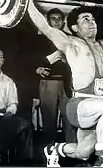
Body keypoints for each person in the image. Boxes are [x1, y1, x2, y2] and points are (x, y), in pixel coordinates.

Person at [28, 0, 103, 167]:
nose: (92, 22)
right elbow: (45, 28)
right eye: (86, 19)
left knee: (83, 153)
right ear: (75, 27)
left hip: (97, 108)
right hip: (79, 105)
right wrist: (28, 3)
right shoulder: (71, 43)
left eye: (92, 19)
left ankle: (54, 149)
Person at [35, 8, 74, 143]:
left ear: (63, 21)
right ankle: (50, 151)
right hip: (49, 82)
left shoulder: (69, 38)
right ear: (48, 21)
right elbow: (35, 60)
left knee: (69, 118)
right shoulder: (40, 39)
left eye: (59, 19)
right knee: (49, 119)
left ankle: (71, 151)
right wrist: (52, 58)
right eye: (53, 18)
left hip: (67, 84)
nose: (57, 21)